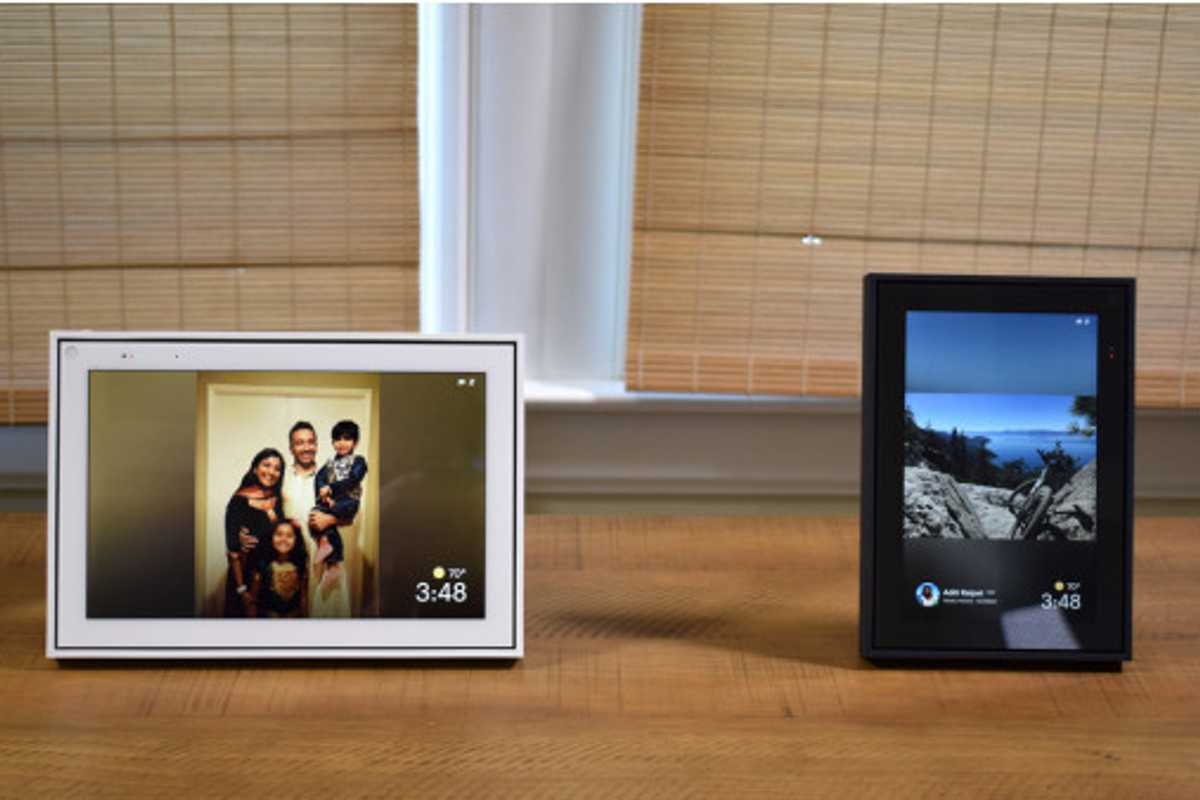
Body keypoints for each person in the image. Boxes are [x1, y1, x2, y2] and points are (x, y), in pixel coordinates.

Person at [280, 420, 352, 618]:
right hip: (290, 556)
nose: (306, 447)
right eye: (300, 443)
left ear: (317, 445)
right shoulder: (281, 477)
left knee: (326, 616)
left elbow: (350, 514)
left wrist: (330, 520)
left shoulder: (331, 477)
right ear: (291, 448)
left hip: (325, 556)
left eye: (311, 442)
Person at [224, 448, 285, 617]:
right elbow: (232, 551)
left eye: (277, 468)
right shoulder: (239, 500)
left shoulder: (277, 498)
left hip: (269, 578)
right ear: (254, 469)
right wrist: (242, 590)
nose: (271, 472)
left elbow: (277, 533)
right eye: (266, 465)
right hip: (244, 579)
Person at [311, 419, 369, 568]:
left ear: (355, 442)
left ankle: (334, 557)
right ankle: (326, 547)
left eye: (347, 438)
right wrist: (324, 495)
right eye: (337, 439)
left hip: (349, 502)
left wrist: (331, 488)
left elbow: (353, 479)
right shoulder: (330, 463)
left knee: (329, 517)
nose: (341, 443)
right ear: (332, 442)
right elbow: (319, 478)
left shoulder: (359, 461)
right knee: (315, 514)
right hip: (332, 502)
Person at [247, 519, 309, 618]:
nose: (283, 539)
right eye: (279, 534)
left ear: (296, 540)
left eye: (289, 536)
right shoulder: (263, 566)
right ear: (271, 537)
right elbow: (253, 600)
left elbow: (303, 598)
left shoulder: (300, 566)